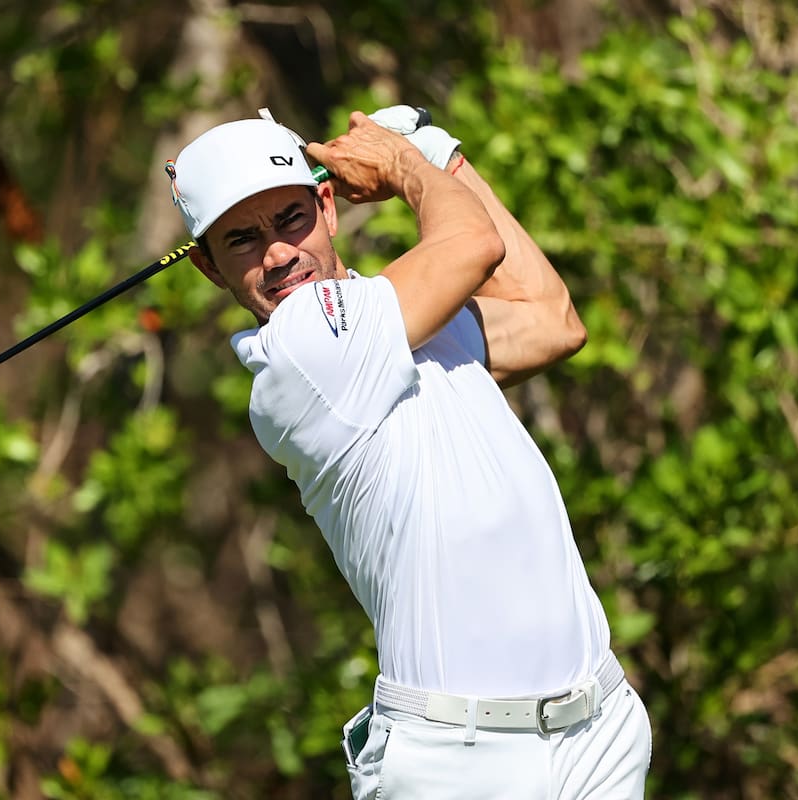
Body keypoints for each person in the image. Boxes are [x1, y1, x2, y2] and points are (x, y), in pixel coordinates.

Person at [167, 106, 652, 799]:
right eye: (243, 239)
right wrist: (404, 164)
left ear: (327, 207)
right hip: (461, 762)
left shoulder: (396, 316)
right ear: (210, 269)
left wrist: (438, 152)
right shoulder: (300, 356)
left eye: (291, 220)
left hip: (596, 735)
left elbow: (550, 319)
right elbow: (473, 242)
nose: (278, 254)